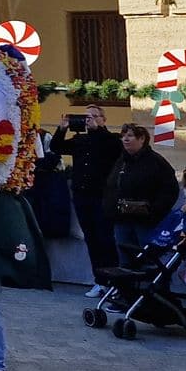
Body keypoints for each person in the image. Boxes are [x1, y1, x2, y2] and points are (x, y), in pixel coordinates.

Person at [52, 106, 122, 296]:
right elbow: (56, 147)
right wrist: (63, 128)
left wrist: (97, 129)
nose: (89, 120)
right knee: (91, 239)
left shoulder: (111, 139)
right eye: (86, 117)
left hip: (102, 196)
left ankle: (114, 281)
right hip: (82, 196)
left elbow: (113, 147)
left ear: (103, 119)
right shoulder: (80, 139)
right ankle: (99, 280)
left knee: (105, 239)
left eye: (93, 116)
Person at [105, 124, 180, 252]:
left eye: (130, 136)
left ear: (142, 139)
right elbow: (111, 187)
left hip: (146, 222)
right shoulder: (121, 161)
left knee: (148, 258)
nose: (125, 139)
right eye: (123, 136)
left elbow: (170, 189)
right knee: (125, 260)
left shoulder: (156, 162)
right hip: (122, 220)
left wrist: (153, 210)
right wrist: (110, 208)